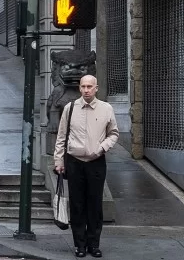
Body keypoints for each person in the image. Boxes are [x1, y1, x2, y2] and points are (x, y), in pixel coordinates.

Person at [54, 74, 119, 258]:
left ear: (96, 88)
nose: (86, 90)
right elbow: (61, 136)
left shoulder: (106, 109)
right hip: (74, 163)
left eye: (90, 86)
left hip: (96, 162)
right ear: (79, 88)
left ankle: (94, 245)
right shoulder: (70, 108)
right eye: (83, 86)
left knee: (95, 204)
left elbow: (113, 133)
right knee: (77, 204)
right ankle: (79, 245)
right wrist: (59, 161)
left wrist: (102, 148)